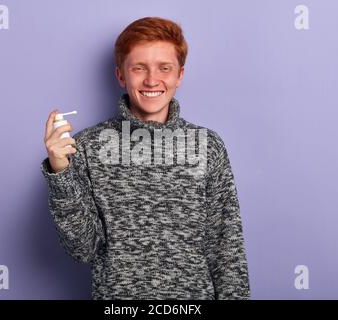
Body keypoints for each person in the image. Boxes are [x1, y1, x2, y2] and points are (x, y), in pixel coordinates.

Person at [41, 16, 250, 300]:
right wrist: (60, 172)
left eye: (164, 68)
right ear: (121, 75)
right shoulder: (87, 147)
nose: (152, 80)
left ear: (180, 75)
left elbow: (227, 250)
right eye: (139, 68)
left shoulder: (207, 145)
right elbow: (82, 249)